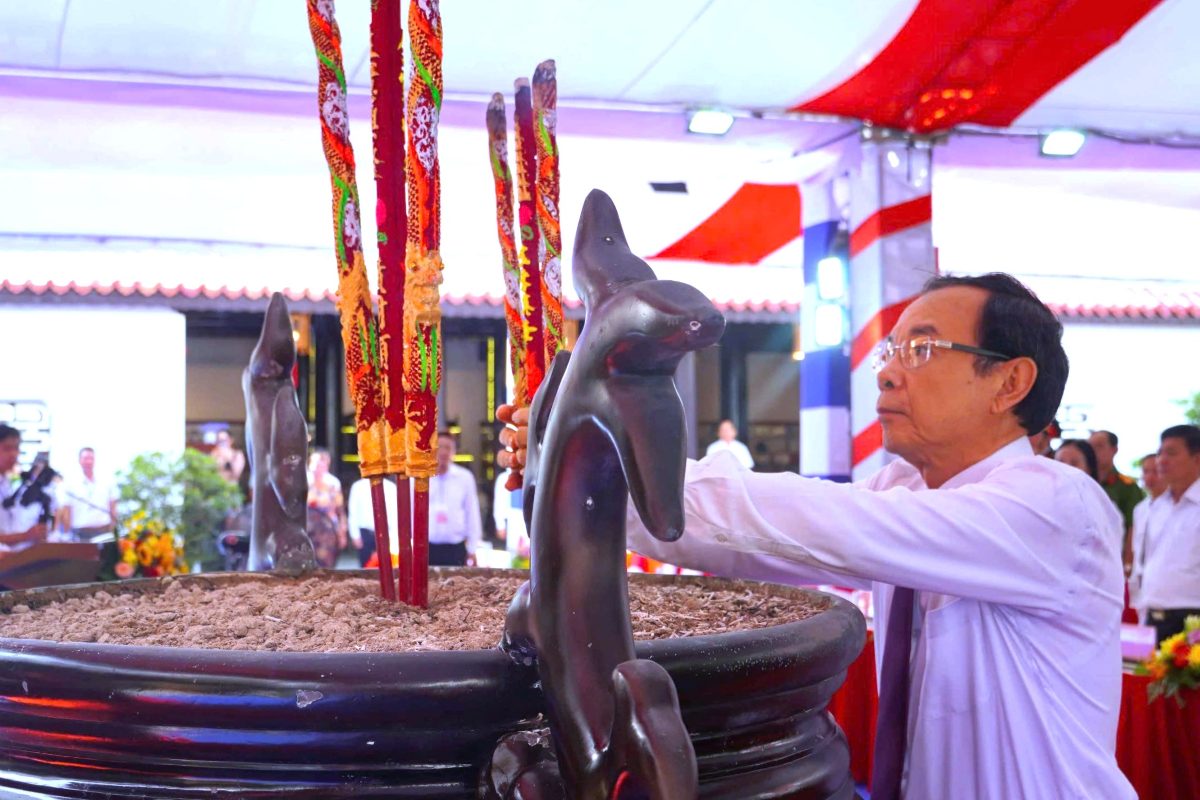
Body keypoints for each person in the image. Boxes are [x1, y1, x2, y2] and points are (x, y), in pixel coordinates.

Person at [499, 272, 1134, 798]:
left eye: (922, 350)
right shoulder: (907, 491)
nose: (886, 374)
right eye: (890, 351)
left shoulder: (1055, 506)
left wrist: (606, 468)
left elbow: (814, 521)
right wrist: (578, 474)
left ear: (1009, 383)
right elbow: (755, 540)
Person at [1136, 424, 1200, 643]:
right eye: (1160, 452)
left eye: (1171, 453)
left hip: (1192, 619)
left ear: (1197, 459)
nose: (1161, 460)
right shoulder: (1155, 507)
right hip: (1153, 615)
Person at [1089, 429, 1145, 567]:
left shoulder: (1127, 487)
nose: (1093, 451)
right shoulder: (1083, 482)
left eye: (1099, 446)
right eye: (1090, 447)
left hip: (1114, 560)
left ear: (1114, 450)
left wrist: (1127, 563)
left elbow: (1133, 525)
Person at [428, 433, 483, 567]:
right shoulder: (421, 477)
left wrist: (473, 548)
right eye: (440, 447)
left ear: (454, 451)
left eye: (448, 448)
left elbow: (472, 512)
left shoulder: (465, 477)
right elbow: (411, 511)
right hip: (427, 546)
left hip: (456, 547)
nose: (443, 452)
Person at [1128, 452, 1167, 623]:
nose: (1150, 477)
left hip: (1165, 589)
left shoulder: (1176, 507)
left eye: (1156, 471)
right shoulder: (1140, 509)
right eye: (1146, 471)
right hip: (1140, 583)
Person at [0, 425, 50, 550]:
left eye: (16, 448)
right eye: (7, 449)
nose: (14, 454)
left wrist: (32, 535)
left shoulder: (7, 483)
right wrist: (26, 535)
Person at [55, 446, 117, 542]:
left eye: (91, 458)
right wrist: (67, 534)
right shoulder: (70, 483)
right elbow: (66, 510)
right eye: (85, 458)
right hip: (80, 534)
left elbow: (113, 506)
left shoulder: (106, 480)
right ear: (80, 460)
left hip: (104, 532)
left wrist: (113, 528)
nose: (89, 462)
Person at [346, 475, 399, 568]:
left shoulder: (391, 487)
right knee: (365, 568)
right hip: (365, 534)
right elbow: (353, 512)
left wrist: (393, 537)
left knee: (386, 568)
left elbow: (395, 514)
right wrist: (355, 535)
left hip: (386, 534)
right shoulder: (357, 487)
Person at [306, 448, 346, 568]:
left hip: (327, 529)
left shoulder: (333, 483)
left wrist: (342, 533)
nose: (319, 467)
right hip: (306, 527)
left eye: (323, 463)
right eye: (317, 463)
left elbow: (340, 510)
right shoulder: (303, 481)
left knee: (326, 564)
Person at [493, 470, 528, 565]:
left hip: (531, 522)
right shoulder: (504, 477)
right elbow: (499, 502)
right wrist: (500, 525)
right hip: (513, 522)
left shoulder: (535, 473)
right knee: (513, 557)